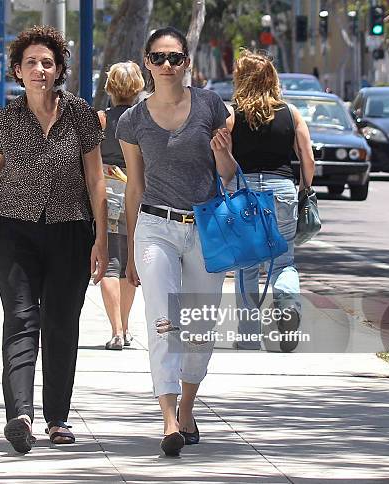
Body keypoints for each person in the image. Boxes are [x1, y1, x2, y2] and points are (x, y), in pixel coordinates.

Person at [0, 25, 108, 455]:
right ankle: (19, 415)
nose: (40, 70)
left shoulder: (80, 114)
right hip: (12, 233)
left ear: (59, 69)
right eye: (31, 63)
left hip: (70, 232)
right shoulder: (6, 119)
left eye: (47, 63)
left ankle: (57, 418)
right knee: (22, 319)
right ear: (17, 71)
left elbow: (96, 182)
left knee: (62, 322)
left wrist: (102, 241)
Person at [116, 27, 237, 456]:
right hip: (155, 227)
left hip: (206, 227)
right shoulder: (132, 120)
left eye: (176, 58)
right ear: (146, 62)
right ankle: (168, 419)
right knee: (163, 319)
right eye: (159, 58)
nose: (168, 65)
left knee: (200, 323)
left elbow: (228, 174)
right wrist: (129, 248)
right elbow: (134, 186)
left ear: (187, 61)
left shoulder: (209, 104)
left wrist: (222, 152)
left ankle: (187, 408)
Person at [226, 50, 315, 352]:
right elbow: (308, 159)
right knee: (283, 261)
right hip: (282, 190)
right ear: (272, 78)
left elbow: (221, 158)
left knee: (246, 266)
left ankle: (249, 334)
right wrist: (304, 191)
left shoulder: (232, 115)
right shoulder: (291, 113)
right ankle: (287, 304)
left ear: (241, 79)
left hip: (245, 191)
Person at [97, 61, 143, 351]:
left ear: (110, 86)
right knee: (130, 264)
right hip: (138, 193)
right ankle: (125, 327)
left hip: (108, 194)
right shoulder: (145, 118)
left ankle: (115, 329)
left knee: (108, 264)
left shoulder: (99, 119)